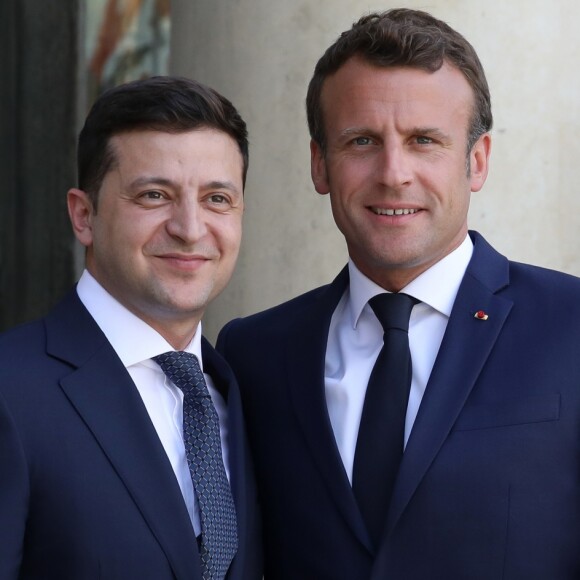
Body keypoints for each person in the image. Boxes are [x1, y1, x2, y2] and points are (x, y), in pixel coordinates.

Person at [217, 8, 580, 579]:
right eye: (362, 141)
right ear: (320, 166)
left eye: (424, 141)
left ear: (476, 161)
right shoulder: (254, 354)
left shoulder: (570, 325)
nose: (393, 173)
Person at [0, 76, 262, 580]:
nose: (189, 228)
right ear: (84, 216)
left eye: (217, 199)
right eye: (154, 195)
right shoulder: (10, 392)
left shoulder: (246, 391)